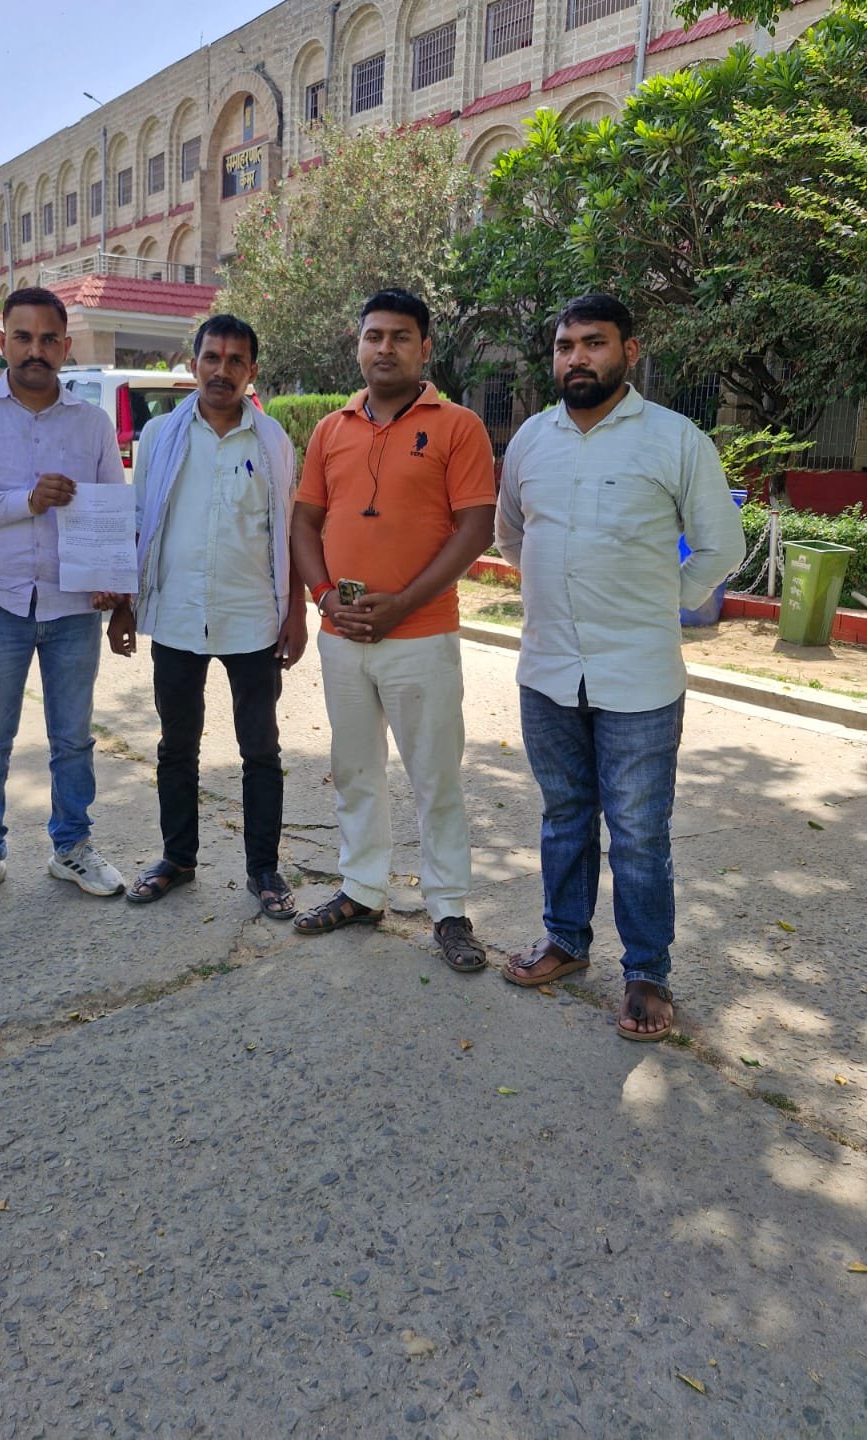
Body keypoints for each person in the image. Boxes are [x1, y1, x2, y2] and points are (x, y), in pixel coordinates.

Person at [495, 293, 746, 1039]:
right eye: (565, 346)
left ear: (629, 352)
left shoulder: (674, 439)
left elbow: (722, 545)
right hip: (547, 670)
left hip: (639, 677)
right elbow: (512, 535)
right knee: (564, 816)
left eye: (593, 343)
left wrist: (667, 598)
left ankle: (646, 973)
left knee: (639, 834)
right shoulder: (531, 439)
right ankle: (566, 940)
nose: (576, 358)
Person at [290, 288, 497, 971]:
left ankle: (449, 909)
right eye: (373, 336)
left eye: (400, 336)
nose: (385, 348)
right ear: (358, 346)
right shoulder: (331, 430)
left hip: (423, 635)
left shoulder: (457, 426)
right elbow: (304, 522)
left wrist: (404, 603)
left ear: (424, 348)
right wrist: (324, 598)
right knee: (354, 771)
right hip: (343, 636)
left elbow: (476, 528)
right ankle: (362, 889)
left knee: (436, 778)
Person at [0, 286, 127, 912]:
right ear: (2, 342)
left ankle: (72, 846)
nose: (35, 350)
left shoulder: (91, 423)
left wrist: (114, 584)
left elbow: (110, 511)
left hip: (72, 607)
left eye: (48, 339)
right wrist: (27, 501)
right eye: (23, 337)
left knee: (73, 738)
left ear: (66, 348)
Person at [107, 314, 307, 917]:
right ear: (193, 363)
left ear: (252, 370)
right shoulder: (160, 435)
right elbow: (140, 522)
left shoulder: (272, 442)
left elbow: (288, 531)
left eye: (235, 360)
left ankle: (264, 869)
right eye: (212, 358)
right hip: (176, 614)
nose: (222, 370)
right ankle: (178, 858)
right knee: (176, 746)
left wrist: (296, 613)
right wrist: (124, 603)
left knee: (261, 749)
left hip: (252, 618)